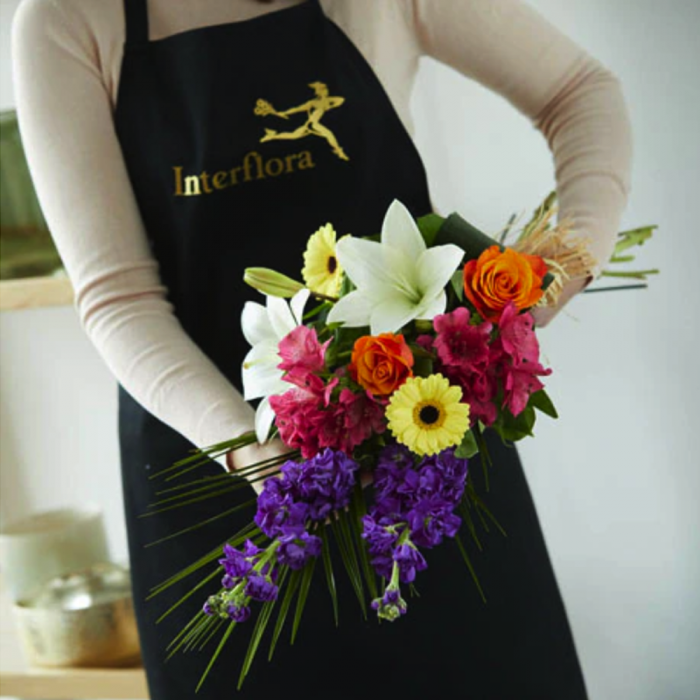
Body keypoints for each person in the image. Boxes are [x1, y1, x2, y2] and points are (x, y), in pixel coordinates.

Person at [12, 0, 632, 697]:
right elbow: (119, 298)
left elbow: (578, 91)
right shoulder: (67, 20)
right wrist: (257, 454)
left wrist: (554, 270)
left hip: (424, 447)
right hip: (219, 472)